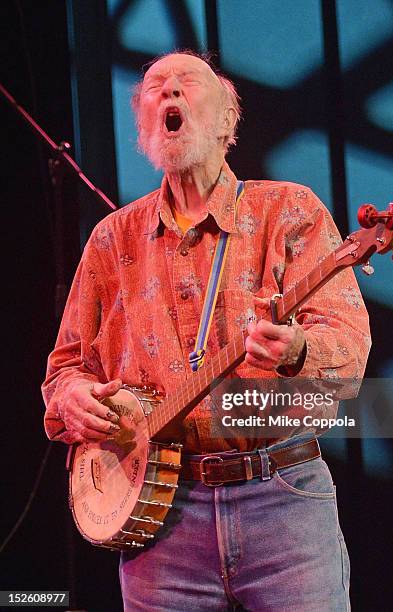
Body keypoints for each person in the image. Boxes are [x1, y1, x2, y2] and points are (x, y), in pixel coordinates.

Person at [42, 51, 370, 611]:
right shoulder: (110, 240)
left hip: (283, 501)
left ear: (226, 121)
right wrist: (72, 397)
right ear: (144, 124)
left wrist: (297, 350)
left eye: (187, 82)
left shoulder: (288, 210)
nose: (169, 92)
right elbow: (65, 368)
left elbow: (349, 350)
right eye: (154, 87)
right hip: (160, 516)